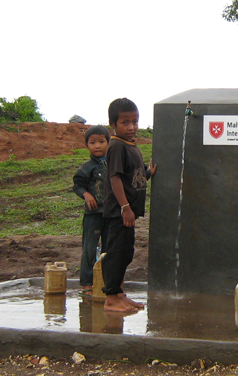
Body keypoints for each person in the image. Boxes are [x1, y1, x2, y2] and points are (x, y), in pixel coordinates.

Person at [102, 98, 156, 312]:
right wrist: (125, 207)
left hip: (129, 213)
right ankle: (111, 299)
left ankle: (119, 295)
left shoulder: (131, 146)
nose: (132, 127)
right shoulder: (116, 146)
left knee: (125, 253)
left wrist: (149, 172)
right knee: (116, 253)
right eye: (125, 122)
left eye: (135, 121)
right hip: (120, 212)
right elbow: (115, 178)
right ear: (112, 124)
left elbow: (133, 176)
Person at [72, 125, 111, 296]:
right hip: (93, 215)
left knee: (109, 250)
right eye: (92, 142)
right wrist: (86, 194)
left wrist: (148, 172)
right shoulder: (87, 167)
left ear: (108, 143)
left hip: (111, 214)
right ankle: (87, 284)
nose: (97, 146)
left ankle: (106, 281)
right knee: (89, 248)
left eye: (101, 142)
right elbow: (77, 185)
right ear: (86, 145)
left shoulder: (114, 163)